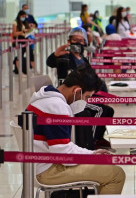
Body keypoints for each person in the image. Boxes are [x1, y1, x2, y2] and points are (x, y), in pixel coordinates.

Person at [27, 66, 125, 194]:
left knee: (107, 169)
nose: (86, 102)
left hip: (39, 165)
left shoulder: (45, 98)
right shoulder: (57, 107)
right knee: (116, 175)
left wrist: (91, 154)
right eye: (86, 97)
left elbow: (62, 147)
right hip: (48, 171)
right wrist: (91, 156)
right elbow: (64, 154)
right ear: (76, 91)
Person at [12, 10, 35, 75]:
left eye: (25, 16)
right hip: (19, 41)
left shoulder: (25, 22)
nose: (24, 18)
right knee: (19, 56)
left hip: (26, 40)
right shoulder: (15, 22)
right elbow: (14, 33)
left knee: (31, 54)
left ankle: (34, 69)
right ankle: (19, 71)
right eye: (23, 16)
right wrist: (22, 31)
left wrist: (29, 29)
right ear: (19, 16)